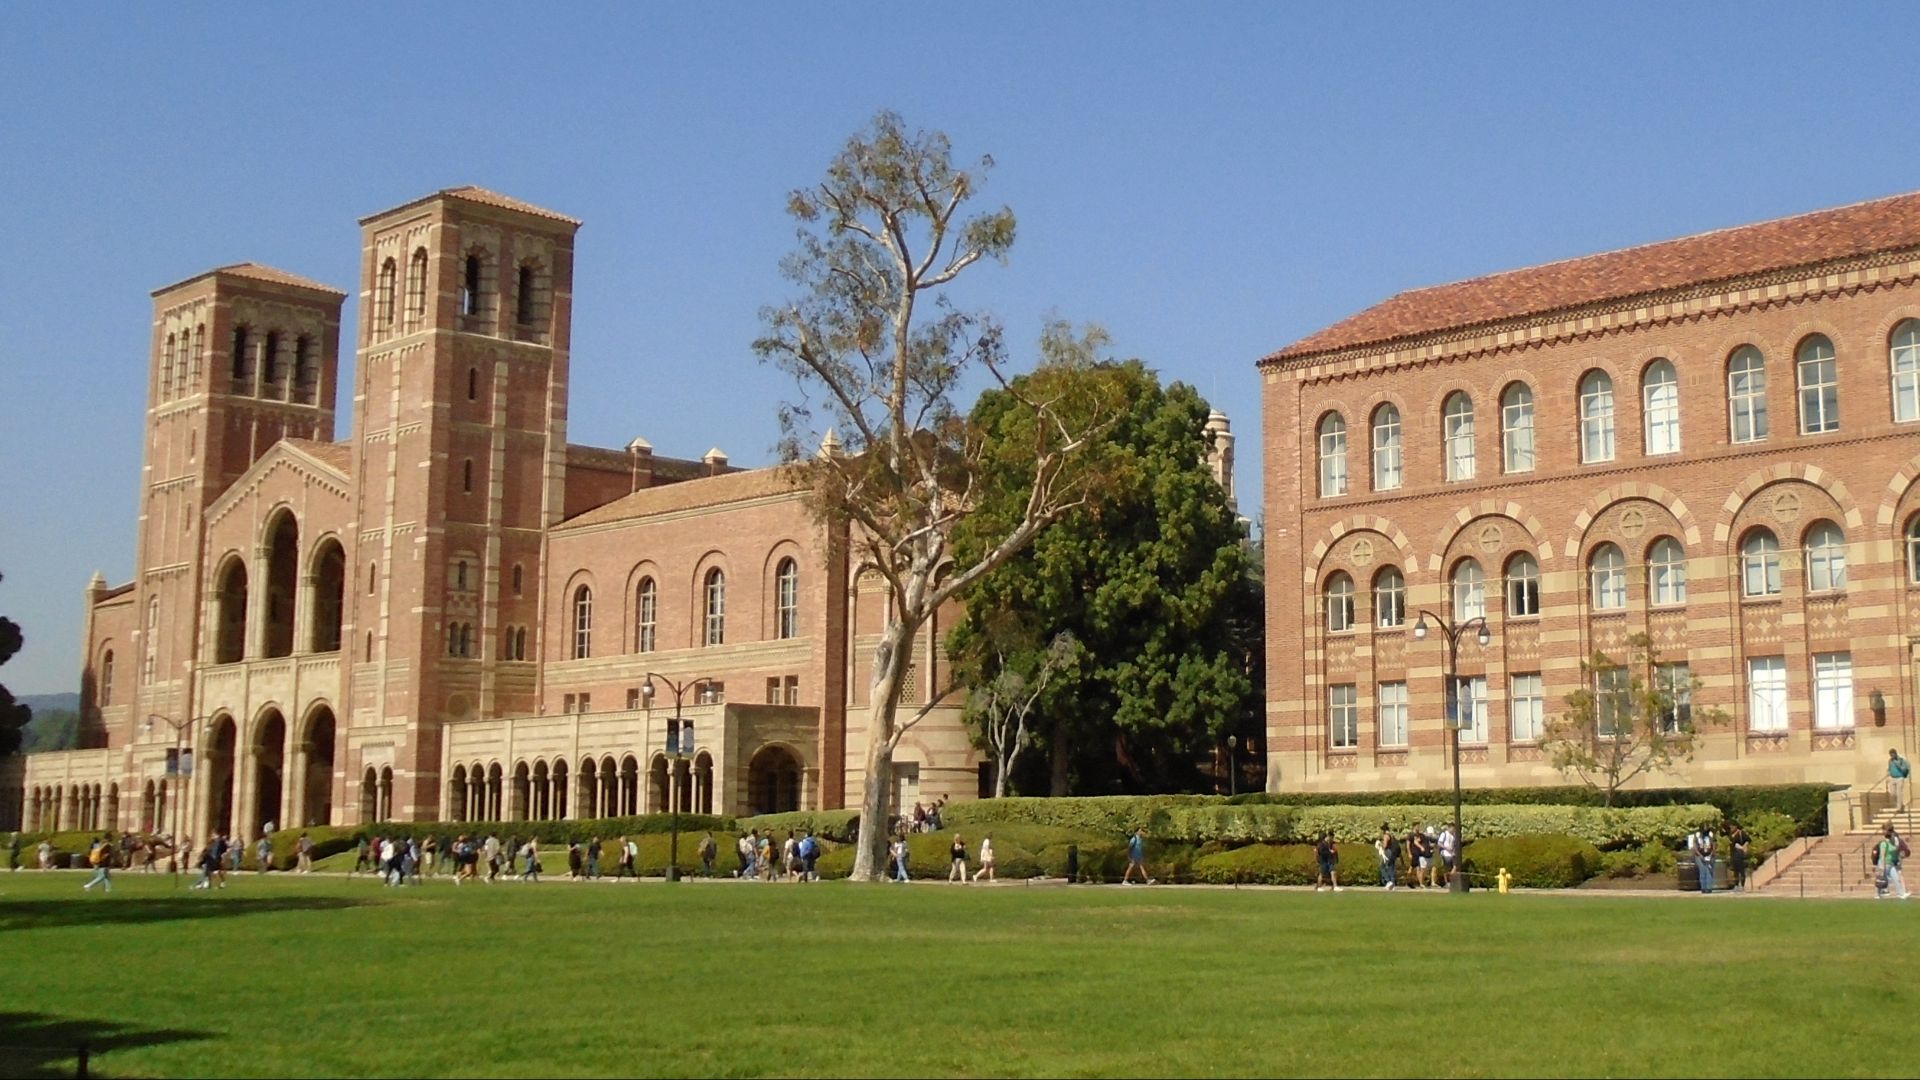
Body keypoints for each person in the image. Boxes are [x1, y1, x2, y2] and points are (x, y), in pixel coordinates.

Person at [1875, 824, 1912, 900]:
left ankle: (1901, 894)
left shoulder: (1893, 844)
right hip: (1885, 863)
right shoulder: (1884, 843)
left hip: (1890, 864)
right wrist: (1882, 867)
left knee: (1896, 878)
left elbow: (1897, 851)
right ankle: (1877, 894)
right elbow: (1882, 856)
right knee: (1881, 880)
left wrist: (1901, 854)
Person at [1689, 824, 1717, 894]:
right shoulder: (1697, 835)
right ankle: (1703, 888)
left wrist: (1711, 854)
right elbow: (1695, 846)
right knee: (1702, 871)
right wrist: (1699, 855)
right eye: (1704, 827)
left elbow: (1714, 845)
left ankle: (1709, 888)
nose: (1706, 828)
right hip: (1699, 855)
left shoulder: (1711, 834)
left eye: (1707, 827)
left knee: (1709, 871)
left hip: (1710, 855)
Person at [1727, 823, 1750, 891]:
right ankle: (1736, 885)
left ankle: (1742, 885)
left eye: (1732, 826)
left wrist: (1743, 847)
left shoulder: (1741, 833)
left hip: (1739, 853)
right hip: (1733, 853)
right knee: (1735, 870)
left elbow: (1748, 840)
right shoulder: (1731, 835)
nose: (1731, 828)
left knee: (1741, 870)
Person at [1408, 823, 1432, 889]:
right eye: (1417, 826)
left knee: (1418, 868)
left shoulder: (1419, 835)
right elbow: (1408, 844)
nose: (1418, 827)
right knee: (1412, 868)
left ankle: (1420, 883)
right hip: (1414, 853)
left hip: (1418, 854)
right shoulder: (1411, 835)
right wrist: (1409, 853)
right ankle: (1408, 880)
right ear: (1414, 827)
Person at [1375, 825, 1400, 890]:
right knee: (1391, 867)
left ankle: (1388, 881)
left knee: (1383, 867)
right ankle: (1392, 884)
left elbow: (1385, 846)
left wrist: (1380, 844)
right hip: (1392, 853)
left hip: (1387, 852)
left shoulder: (1386, 836)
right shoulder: (1391, 835)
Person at [1436, 823, 1459, 888]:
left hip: (1452, 854)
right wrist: (1446, 848)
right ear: (1449, 828)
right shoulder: (1444, 834)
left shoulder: (1453, 835)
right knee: (1446, 869)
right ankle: (1447, 882)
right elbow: (1439, 843)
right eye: (1453, 828)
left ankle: (1451, 880)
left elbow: (1454, 845)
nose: (1453, 830)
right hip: (1445, 853)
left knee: (1455, 867)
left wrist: (1453, 851)